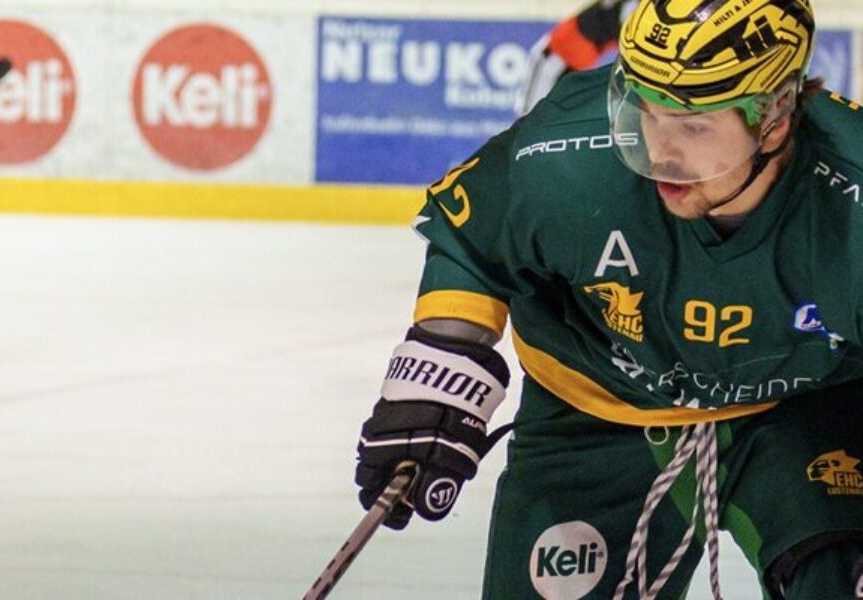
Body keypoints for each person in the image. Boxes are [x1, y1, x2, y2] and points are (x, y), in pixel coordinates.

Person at [354, 0, 863, 597]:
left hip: (798, 410)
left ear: (774, 118)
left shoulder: (851, 194)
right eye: (645, 110)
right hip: (595, 412)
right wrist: (443, 361)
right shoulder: (565, 151)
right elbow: (473, 239)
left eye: (692, 125)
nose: (659, 149)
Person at [516, 0, 637, 117]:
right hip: (553, 58)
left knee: (558, 118)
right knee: (529, 114)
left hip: (573, 71)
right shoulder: (620, 12)